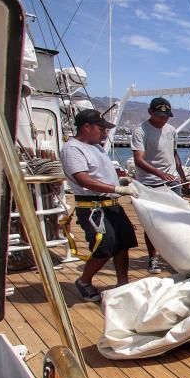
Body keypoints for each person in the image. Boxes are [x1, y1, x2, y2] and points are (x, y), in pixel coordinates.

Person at [60, 109, 139, 302]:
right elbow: (83, 179)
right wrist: (116, 188)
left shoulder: (97, 147)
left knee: (123, 244)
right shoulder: (72, 149)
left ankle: (122, 283)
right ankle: (84, 281)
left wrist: (121, 183)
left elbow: (101, 174)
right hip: (93, 207)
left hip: (112, 205)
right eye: (101, 128)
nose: (105, 133)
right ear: (87, 127)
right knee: (105, 247)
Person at [131, 97, 186, 273]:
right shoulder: (140, 131)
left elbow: (174, 154)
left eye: (166, 116)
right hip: (150, 184)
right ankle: (153, 258)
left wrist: (182, 176)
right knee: (152, 224)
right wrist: (159, 173)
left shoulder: (171, 131)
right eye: (160, 116)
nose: (163, 120)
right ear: (150, 112)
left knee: (177, 221)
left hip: (173, 182)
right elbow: (138, 160)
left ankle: (175, 256)